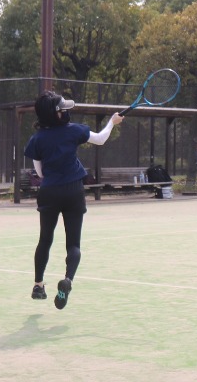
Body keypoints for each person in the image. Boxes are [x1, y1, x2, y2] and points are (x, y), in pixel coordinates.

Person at [24, 92, 123, 309]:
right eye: (63, 109)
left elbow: (40, 173)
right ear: (57, 114)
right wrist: (112, 122)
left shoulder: (37, 139)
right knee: (74, 244)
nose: (67, 111)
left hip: (49, 191)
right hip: (73, 191)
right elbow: (101, 139)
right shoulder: (74, 130)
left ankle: (38, 285)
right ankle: (67, 280)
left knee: (45, 240)